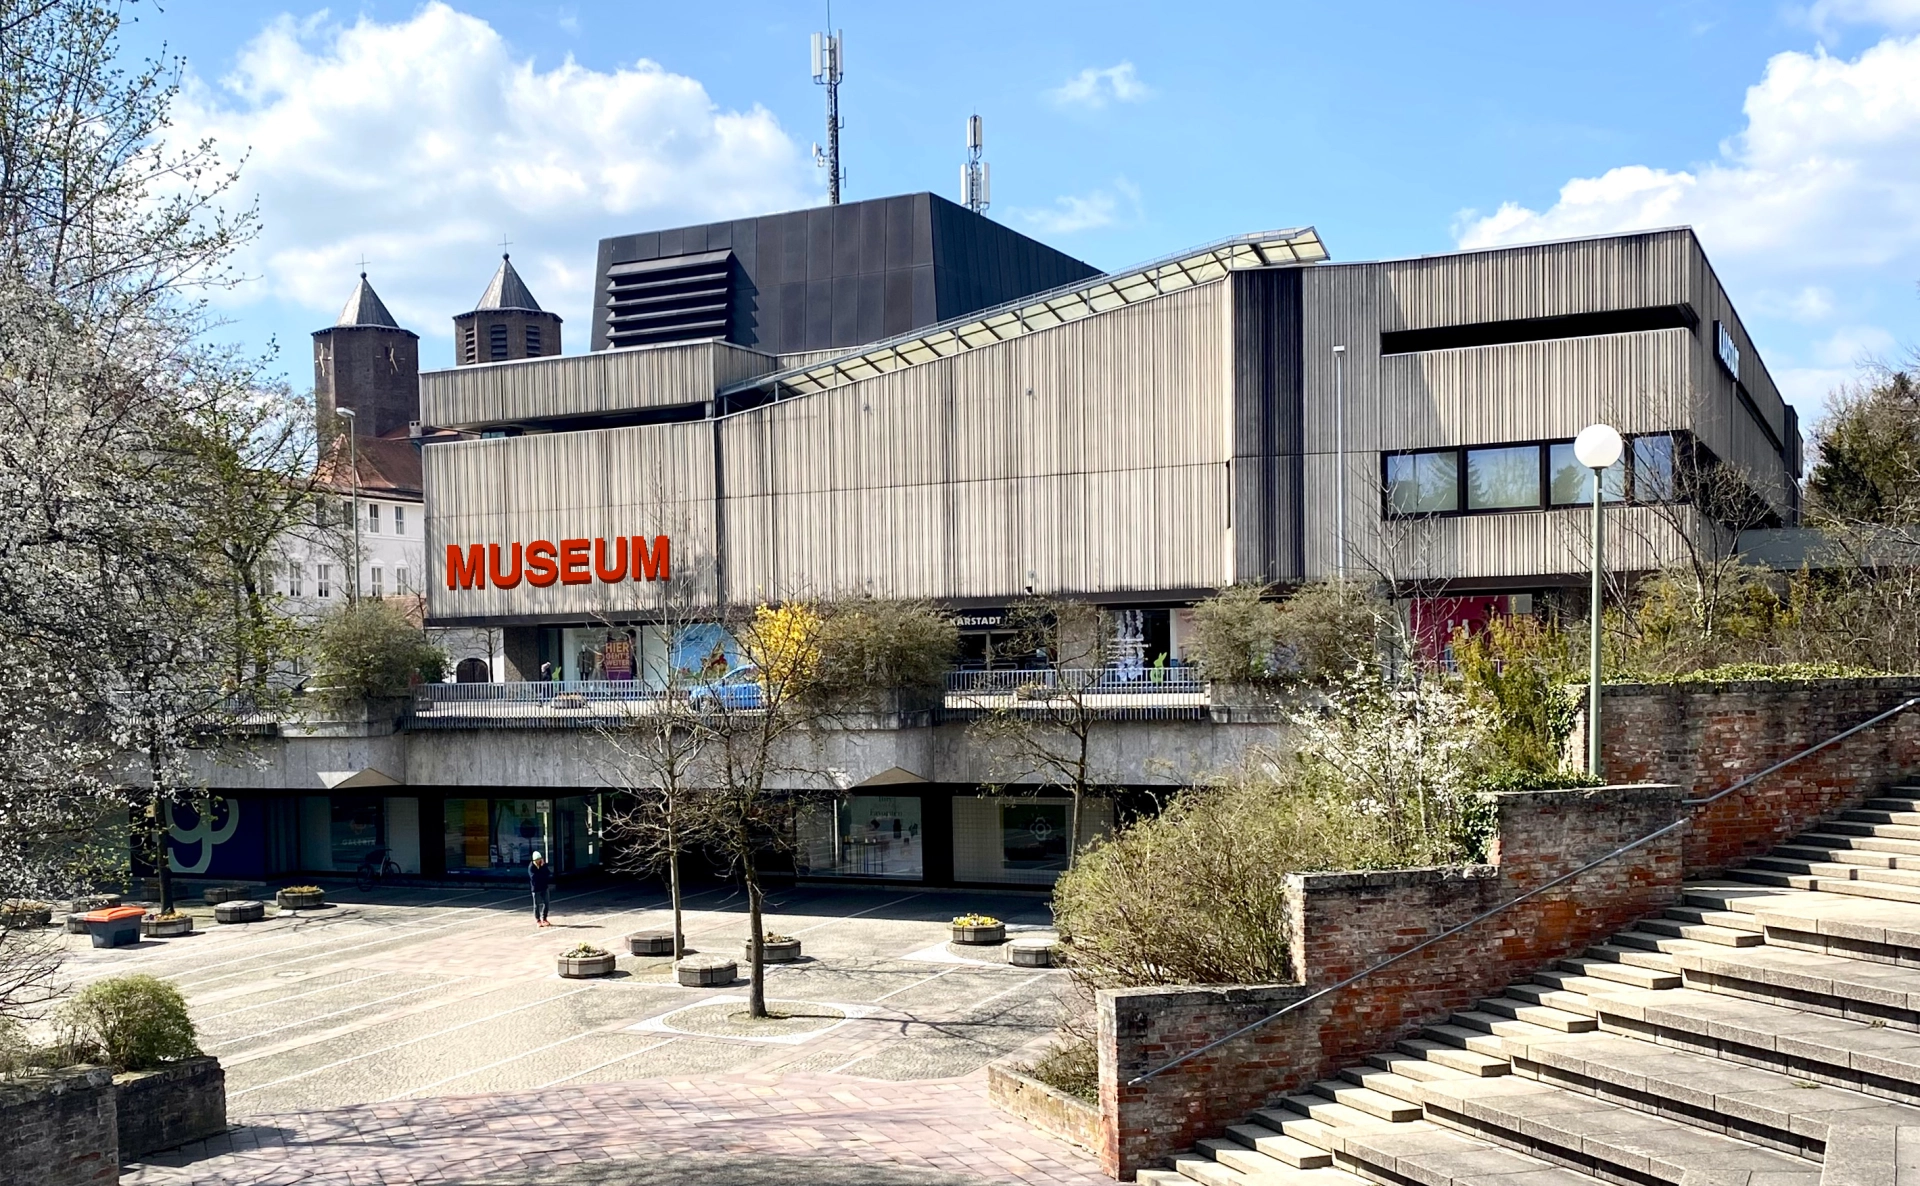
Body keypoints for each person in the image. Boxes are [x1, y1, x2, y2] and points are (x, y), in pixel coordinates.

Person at [529, 850, 552, 927]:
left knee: (546, 903)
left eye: (540, 859)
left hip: (544, 887)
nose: (539, 861)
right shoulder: (531, 867)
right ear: (534, 860)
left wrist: (543, 867)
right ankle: (538, 920)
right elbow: (534, 878)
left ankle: (544, 918)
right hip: (536, 889)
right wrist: (542, 874)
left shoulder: (543, 865)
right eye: (538, 860)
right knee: (536, 905)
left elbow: (548, 873)